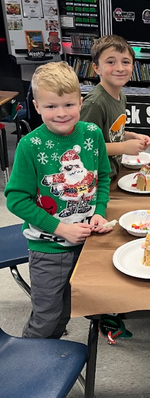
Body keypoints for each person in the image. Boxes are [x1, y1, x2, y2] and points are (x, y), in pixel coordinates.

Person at [4, 61, 113, 339]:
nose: (61, 113)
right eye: (51, 107)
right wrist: (61, 228)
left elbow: (100, 178)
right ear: (37, 106)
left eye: (68, 105)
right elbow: (16, 200)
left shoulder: (92, 134)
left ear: (80, 101)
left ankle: (52, 348)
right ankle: (28, 365)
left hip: (87, 243)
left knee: (70, 306)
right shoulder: (31, 145)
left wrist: (98, 212)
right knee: (46, 317)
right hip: (49, 249)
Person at [79, 34, 150, 181]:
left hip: (111, 173)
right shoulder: (95, 104)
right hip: (96, 181)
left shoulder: (121, 96)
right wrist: (123, 148)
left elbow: (110, 135)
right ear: (96, 68)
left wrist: (132, 136)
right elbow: (84, 148)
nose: (119, 68)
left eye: (125, 62)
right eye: (111, 62)